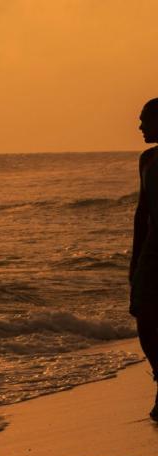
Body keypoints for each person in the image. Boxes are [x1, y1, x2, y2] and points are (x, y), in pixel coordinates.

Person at [130, 97, 158, 421]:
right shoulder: (147, 160)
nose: (140, 127)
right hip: (153, 249)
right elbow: (142, 213)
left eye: (145, 120)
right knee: (144, 316)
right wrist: (135, 260)